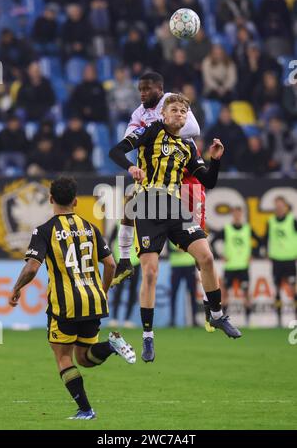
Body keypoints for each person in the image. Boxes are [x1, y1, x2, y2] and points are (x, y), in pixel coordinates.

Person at [109, 93, 242, 362]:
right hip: (147, 205)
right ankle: (148, 337)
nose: (180, 114)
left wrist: (215, 160)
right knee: (150, 273)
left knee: (206, 256)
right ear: (164, 114)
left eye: (184, 111)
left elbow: (209, 181)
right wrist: (132, 167)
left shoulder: (188, 146)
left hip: (174, 207)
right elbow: (116, 151)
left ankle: (216, 315)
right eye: (175, 109)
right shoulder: (152, 131)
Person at [9, 176, 136, 420]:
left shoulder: (45, 230)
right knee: (84, 358)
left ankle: (86, 410)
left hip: (65, 305)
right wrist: (103, 289)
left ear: (50, 199)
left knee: (64, 357)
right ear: (76, 201)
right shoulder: (90, 227)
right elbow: (110, 264)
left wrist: (16, 289)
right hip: (93, 300)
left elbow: (32, 268)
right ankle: (110, 346)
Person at [110, 71, 211, 330]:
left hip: (184, 166)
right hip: (156, 171)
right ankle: (123, 260)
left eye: (147, 89)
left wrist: (163, 124)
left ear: (160, 89)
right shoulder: (138, 114)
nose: (142, 93)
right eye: (140, 89)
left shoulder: (172, 102)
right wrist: (150, 135)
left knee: (200, 233)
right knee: (132, 200)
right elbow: (127, 139)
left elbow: (194, 129)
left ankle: (211, 305)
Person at [211, 206, 261, 325]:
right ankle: (223, 321)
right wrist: (220, 255)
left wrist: (253, 253)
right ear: (233, 215)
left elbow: (259, 241)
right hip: (230, 267)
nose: (237, 216)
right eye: (235, 213)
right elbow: (213, 242)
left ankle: (248, 321)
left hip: (243, 266)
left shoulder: (247, 229)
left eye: (239, 213)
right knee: (225, 294)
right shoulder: (227, 229)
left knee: (246, 294)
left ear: (242, 214)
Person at [264, 196, 297, 327]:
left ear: (285, 207)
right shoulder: (270, 221)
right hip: (276, 260)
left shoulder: (292, 221)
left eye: (281, 206)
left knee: (293, 291)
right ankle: (278, 320)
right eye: (276, 206)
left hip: (289, 259)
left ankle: (295, 319)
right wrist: (264, 251)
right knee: (277, 290)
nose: (278, 208)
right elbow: (265, 238)